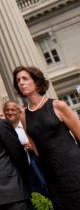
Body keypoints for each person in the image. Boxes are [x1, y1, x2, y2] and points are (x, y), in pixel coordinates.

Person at [14, 66, 80, 209]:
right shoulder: (24, 116)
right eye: (18, 80)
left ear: (37, 82)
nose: (21, 82)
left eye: (25, 78)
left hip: (75, 168)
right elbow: (35, 148)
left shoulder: (58, 105)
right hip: (53, 175)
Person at [2, 99, 48, 196]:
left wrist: (33, 147)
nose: (10, 112)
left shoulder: (28, 126)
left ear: (19, 111)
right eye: (7, 110)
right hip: (17, 172)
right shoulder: (1, 130)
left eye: (13, 110)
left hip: (36, 166)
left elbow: (44, 142)